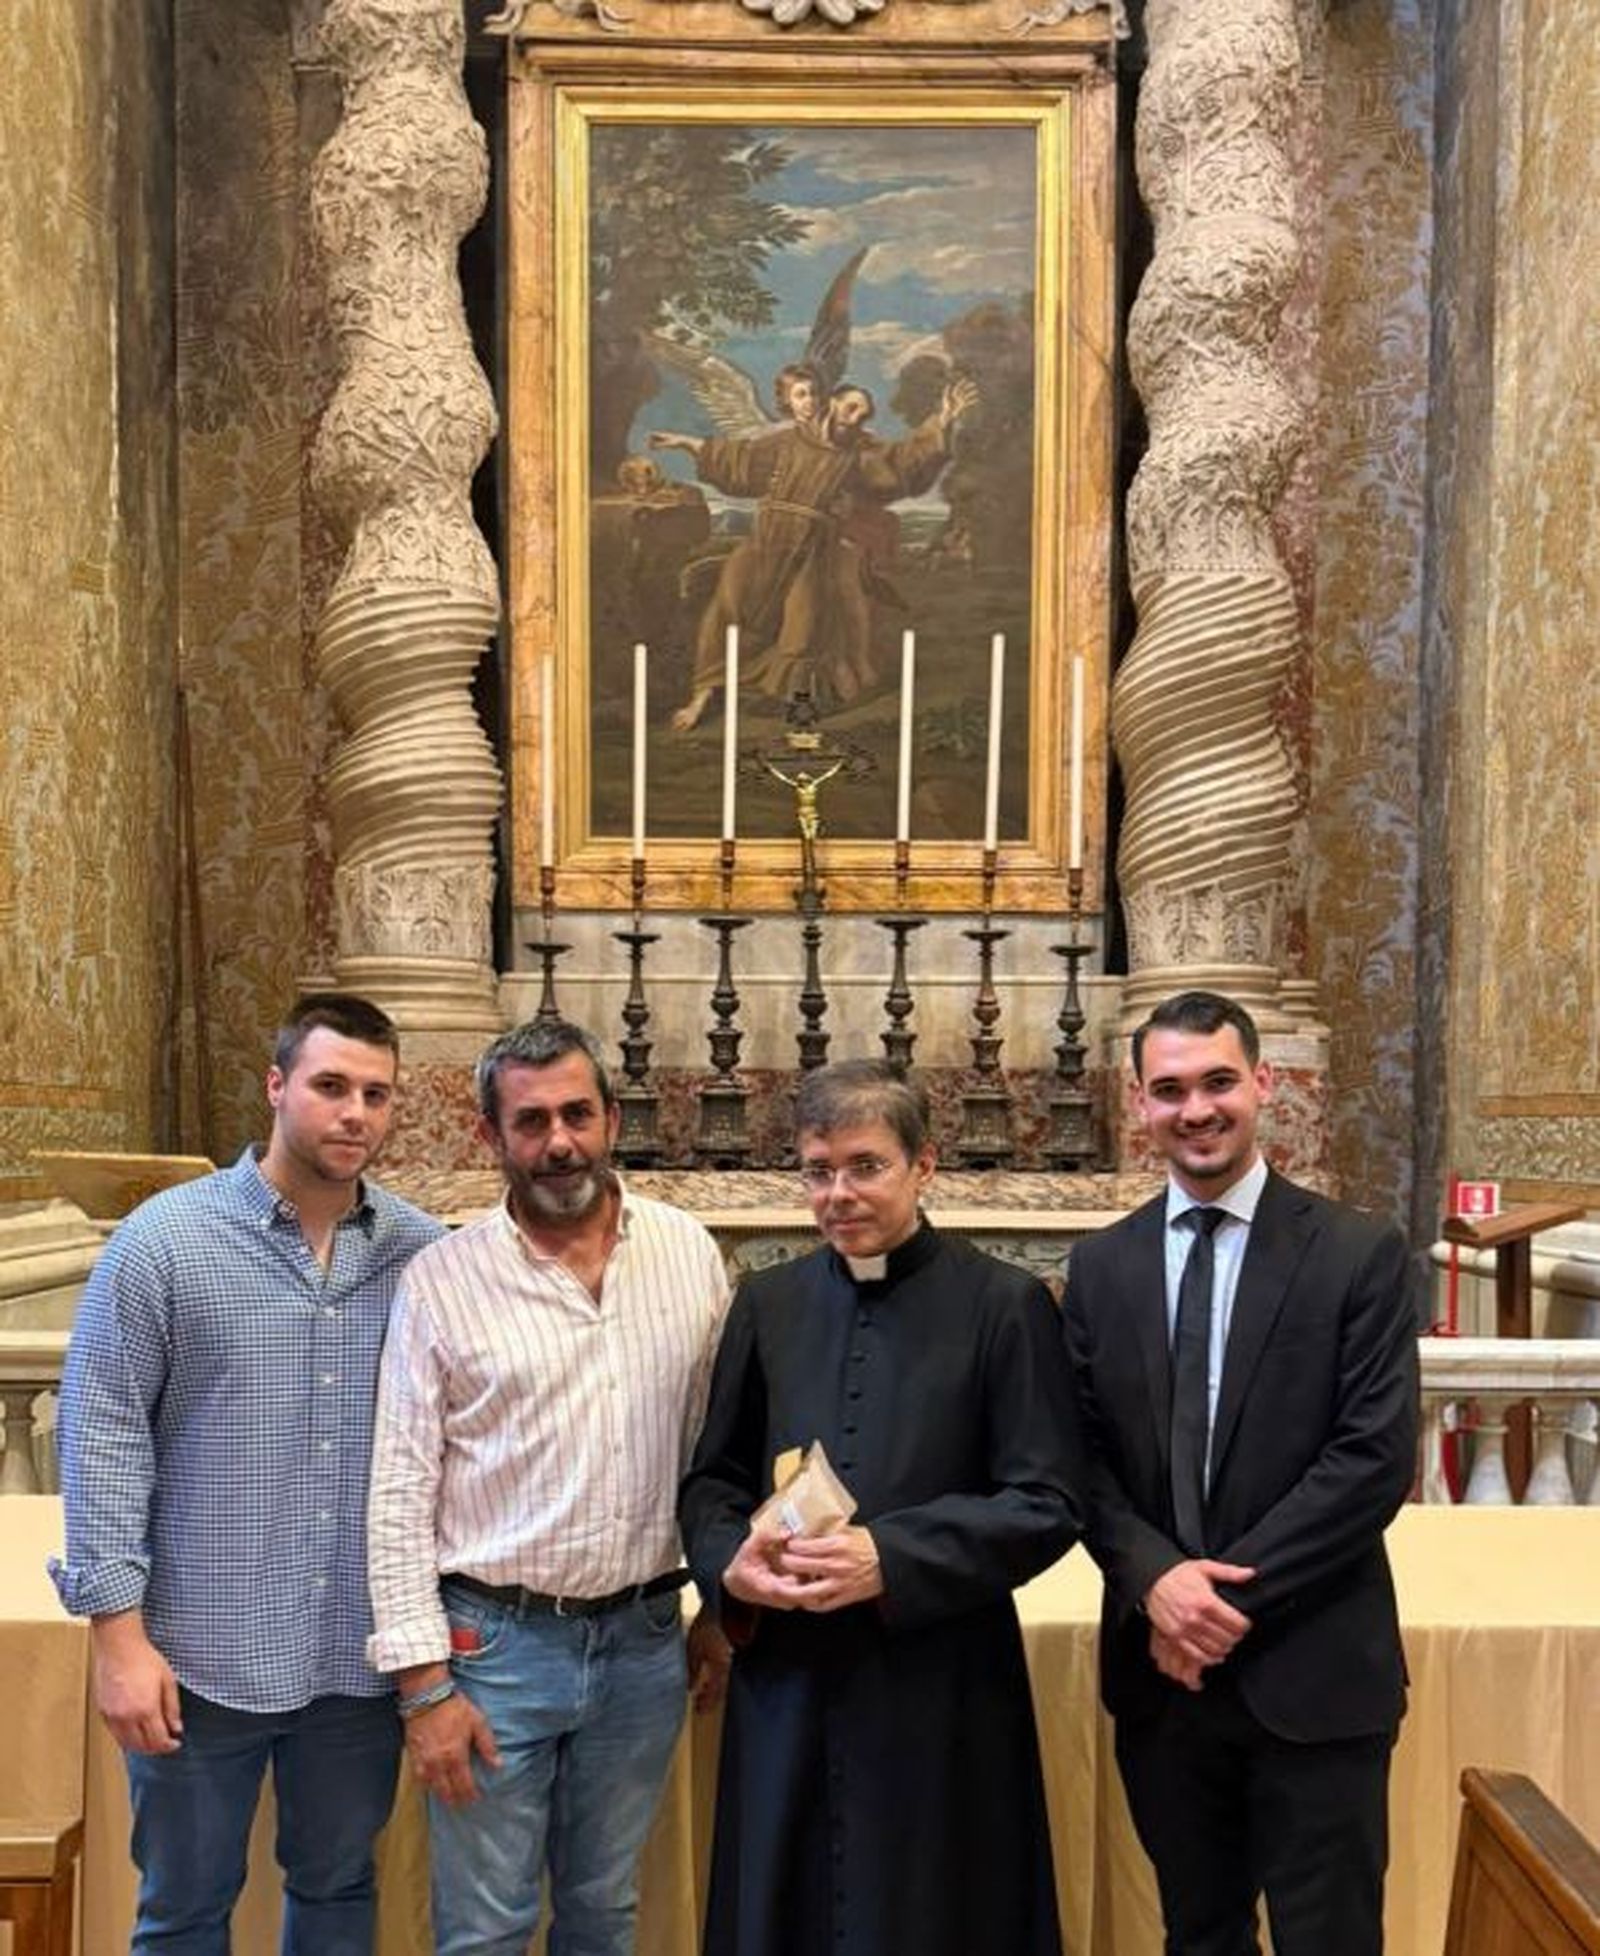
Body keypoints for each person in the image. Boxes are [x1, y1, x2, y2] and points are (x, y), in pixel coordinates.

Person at [50, 992, 443, 1954]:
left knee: (340, 1889)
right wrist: (119, 1641)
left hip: (356, 1652)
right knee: (183, 1910)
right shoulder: (165, 1243)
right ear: (276, 1087)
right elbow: (101, 1438)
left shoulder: (424, 1255)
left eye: (377, 1094)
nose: (355, 1113)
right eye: (331, 1086)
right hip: (198, 1652)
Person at [679, 1058, 1080, 1956]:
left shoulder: (1004, 1305)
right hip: (789, 1680)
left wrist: (889, 1560)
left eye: (866, 1166)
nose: (837, 1194)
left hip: (940, 1687)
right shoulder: (768, 1304)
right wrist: (729, 1568)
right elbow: (712, 1483)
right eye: (818, 1171)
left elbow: (1049, 1500)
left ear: (924, 1165)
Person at [1061, 990, 1422, 1956]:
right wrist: (1157, 1583)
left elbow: (1373, 1458)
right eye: (1170, 1089)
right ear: (1138, 1103)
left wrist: (1218, 1605)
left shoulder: (1357, 1252)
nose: (1198, 1109)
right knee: (1199, 1935)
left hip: (1313, 1672)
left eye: (1219, 1081)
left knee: (1330, 1940)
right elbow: (1080, 1457)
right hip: (1163, 1681)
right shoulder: (1101, 1266)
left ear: (1263, 1084)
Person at [365, 1017, 731, 1956]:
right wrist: (423, 1691)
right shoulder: (442, 1280)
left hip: (645, 1646)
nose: (559, 1141)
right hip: (493, 1651)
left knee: (605, 1914)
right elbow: (400, 1490)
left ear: (612, 1117)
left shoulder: (688, 1253)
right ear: (492, 1137)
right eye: (531, 1122)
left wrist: (728, 1611)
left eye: (577, 1113)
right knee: (486, 1929)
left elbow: (721, 1452)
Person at [654, 377, 977, 730]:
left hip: (813, 548)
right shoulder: (790, 441)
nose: (856, 419)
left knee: (803, 622)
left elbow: (901, 464)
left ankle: (789, 702)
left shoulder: (859, 455)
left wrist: (943, 419)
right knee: (726, 610)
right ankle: (703, 695)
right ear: (833, 403)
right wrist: (688, 442)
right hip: (766, 540)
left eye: (864, 415)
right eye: (851, 407)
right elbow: (742, 462)